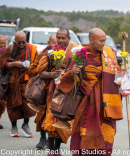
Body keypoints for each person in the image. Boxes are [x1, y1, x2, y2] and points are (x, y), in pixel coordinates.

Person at [58, 28, 123, 156]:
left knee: (107, 133)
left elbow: (117, 72)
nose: (104, 43)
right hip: (88, 102)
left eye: (104, 40)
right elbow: (65, 78)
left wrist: (123, 78)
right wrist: (73, 73)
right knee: (86, 133)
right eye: (101, 41)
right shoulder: (81, 54)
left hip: (107, 104)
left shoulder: (108, 53)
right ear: (91, 40)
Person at [29, 28, 79, 156]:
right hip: (52, 92)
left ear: (69, 39)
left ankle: (57, 150)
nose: (61, 40)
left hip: (67, 92)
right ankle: (52, 151)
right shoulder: (50, 52)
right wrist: (53, 74)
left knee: (64, 120)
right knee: (51, 121)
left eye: (63, 38)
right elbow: (41, 72)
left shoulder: (75, 52)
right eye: (59, 38)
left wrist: (68, 74)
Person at [0, 31, 37, 137]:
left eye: (23, 42)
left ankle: (25, 125)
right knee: (13, 105)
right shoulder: (9, 49)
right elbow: (3, 64)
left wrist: (30, 66)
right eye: (18, 42)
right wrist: (15, 64)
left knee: (28, 105)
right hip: (12, 82)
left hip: (26, 81)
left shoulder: (31, 49)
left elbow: (36, 63)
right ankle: (14, 126)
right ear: (14, 41)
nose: (21, 44)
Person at [28, 34, 57, 150]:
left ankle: (54, 139)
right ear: (48, 42)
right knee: (41, 114)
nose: (56, 45)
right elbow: (33, 69)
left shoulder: (63, 54)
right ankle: (42, 138)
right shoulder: (43, 53)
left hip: (57, 89)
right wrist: (45, 71)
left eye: (58, 43)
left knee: (54, 115)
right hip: (43, 89)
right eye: (53, 43)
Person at [0, 34, 7, 129]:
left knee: (2, 103)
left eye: (4, 43)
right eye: (0, 43)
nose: (2, 45)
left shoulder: (8, 51)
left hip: (4, 81)